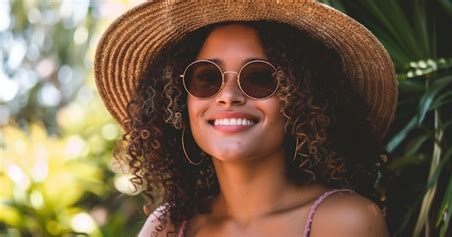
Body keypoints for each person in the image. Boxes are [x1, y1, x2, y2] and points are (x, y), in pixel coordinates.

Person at [94, 1, 398, 236]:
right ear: (178, 101)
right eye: (206, 78)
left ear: (302, 98)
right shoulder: (169, 227)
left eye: (259, 77)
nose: (228, 95)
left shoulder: (343, 222)